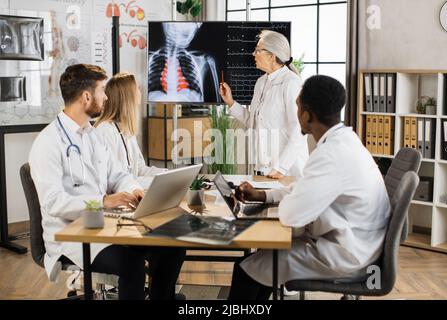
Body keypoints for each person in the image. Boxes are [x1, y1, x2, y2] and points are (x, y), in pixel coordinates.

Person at [227, 75, 391, 300]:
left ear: (306, 115)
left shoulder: (329, 155)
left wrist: (284, 201)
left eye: (297, 106)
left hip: (347, 254)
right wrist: (264, 195)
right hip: (357, 242)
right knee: (262, 264)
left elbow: (290, 216)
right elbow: (303, 189)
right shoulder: (345, 140)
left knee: (246, 270)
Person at [29, 64, 185, 300]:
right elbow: (54, 203)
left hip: (107, 226)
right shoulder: (48, 143)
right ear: (86, 96)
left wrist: (134, 191)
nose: (106, 96)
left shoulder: (92, 135)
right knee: (131, 264)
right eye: (102, 90)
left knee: (172, 248)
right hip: (73, 236)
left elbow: (119, 174)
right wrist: (103, 201)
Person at [220, 30, 308, 179]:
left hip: (288, 171)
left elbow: (299, 130)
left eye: (258, 50)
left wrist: (281, 167)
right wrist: (231, 102)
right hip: (263, 168)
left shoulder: (291, 83)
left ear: (272, 56)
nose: (253, 54)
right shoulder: (261, 83)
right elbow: (253, 121)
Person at [95, 72, 166, 189]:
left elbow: (140, 169)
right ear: (128, 96)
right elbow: (116, 181)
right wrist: (161, 182)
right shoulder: (105, 131)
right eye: (137, 88)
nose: (140, 92)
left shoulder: (126, 131)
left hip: (131, 194)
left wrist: (167, 174)